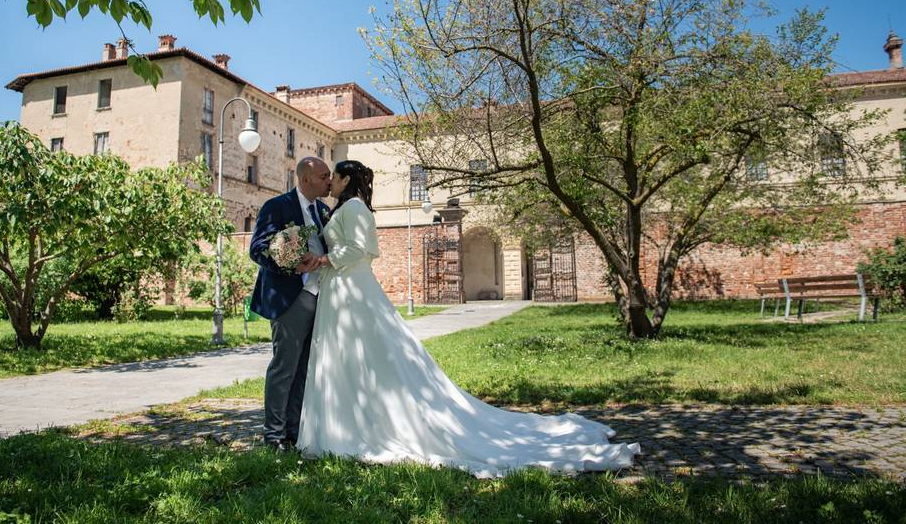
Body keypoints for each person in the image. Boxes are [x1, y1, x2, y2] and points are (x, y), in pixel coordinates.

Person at [295, 160, 640, 478]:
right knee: (349, 355)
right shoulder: (339, 209)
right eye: (325, 177)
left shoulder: (354, 208)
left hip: (351, 287)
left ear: (345, 179)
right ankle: (347, 422)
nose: (330, 182)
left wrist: (323, 261)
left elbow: (363, 249)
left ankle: (360, 428)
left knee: (363, 354)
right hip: (340, 288)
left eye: (333, 177)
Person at [248, 156, 332, 450]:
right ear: (305, 178)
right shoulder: (277, 206)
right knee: (285, 367)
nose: (329, 181)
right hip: (290, 299)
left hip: (320, 298)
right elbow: (258, 249)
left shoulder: (323, 210)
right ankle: (273, 435)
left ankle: (294, 432)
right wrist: (291, 264)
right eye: (324, 176)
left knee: (305, 369)